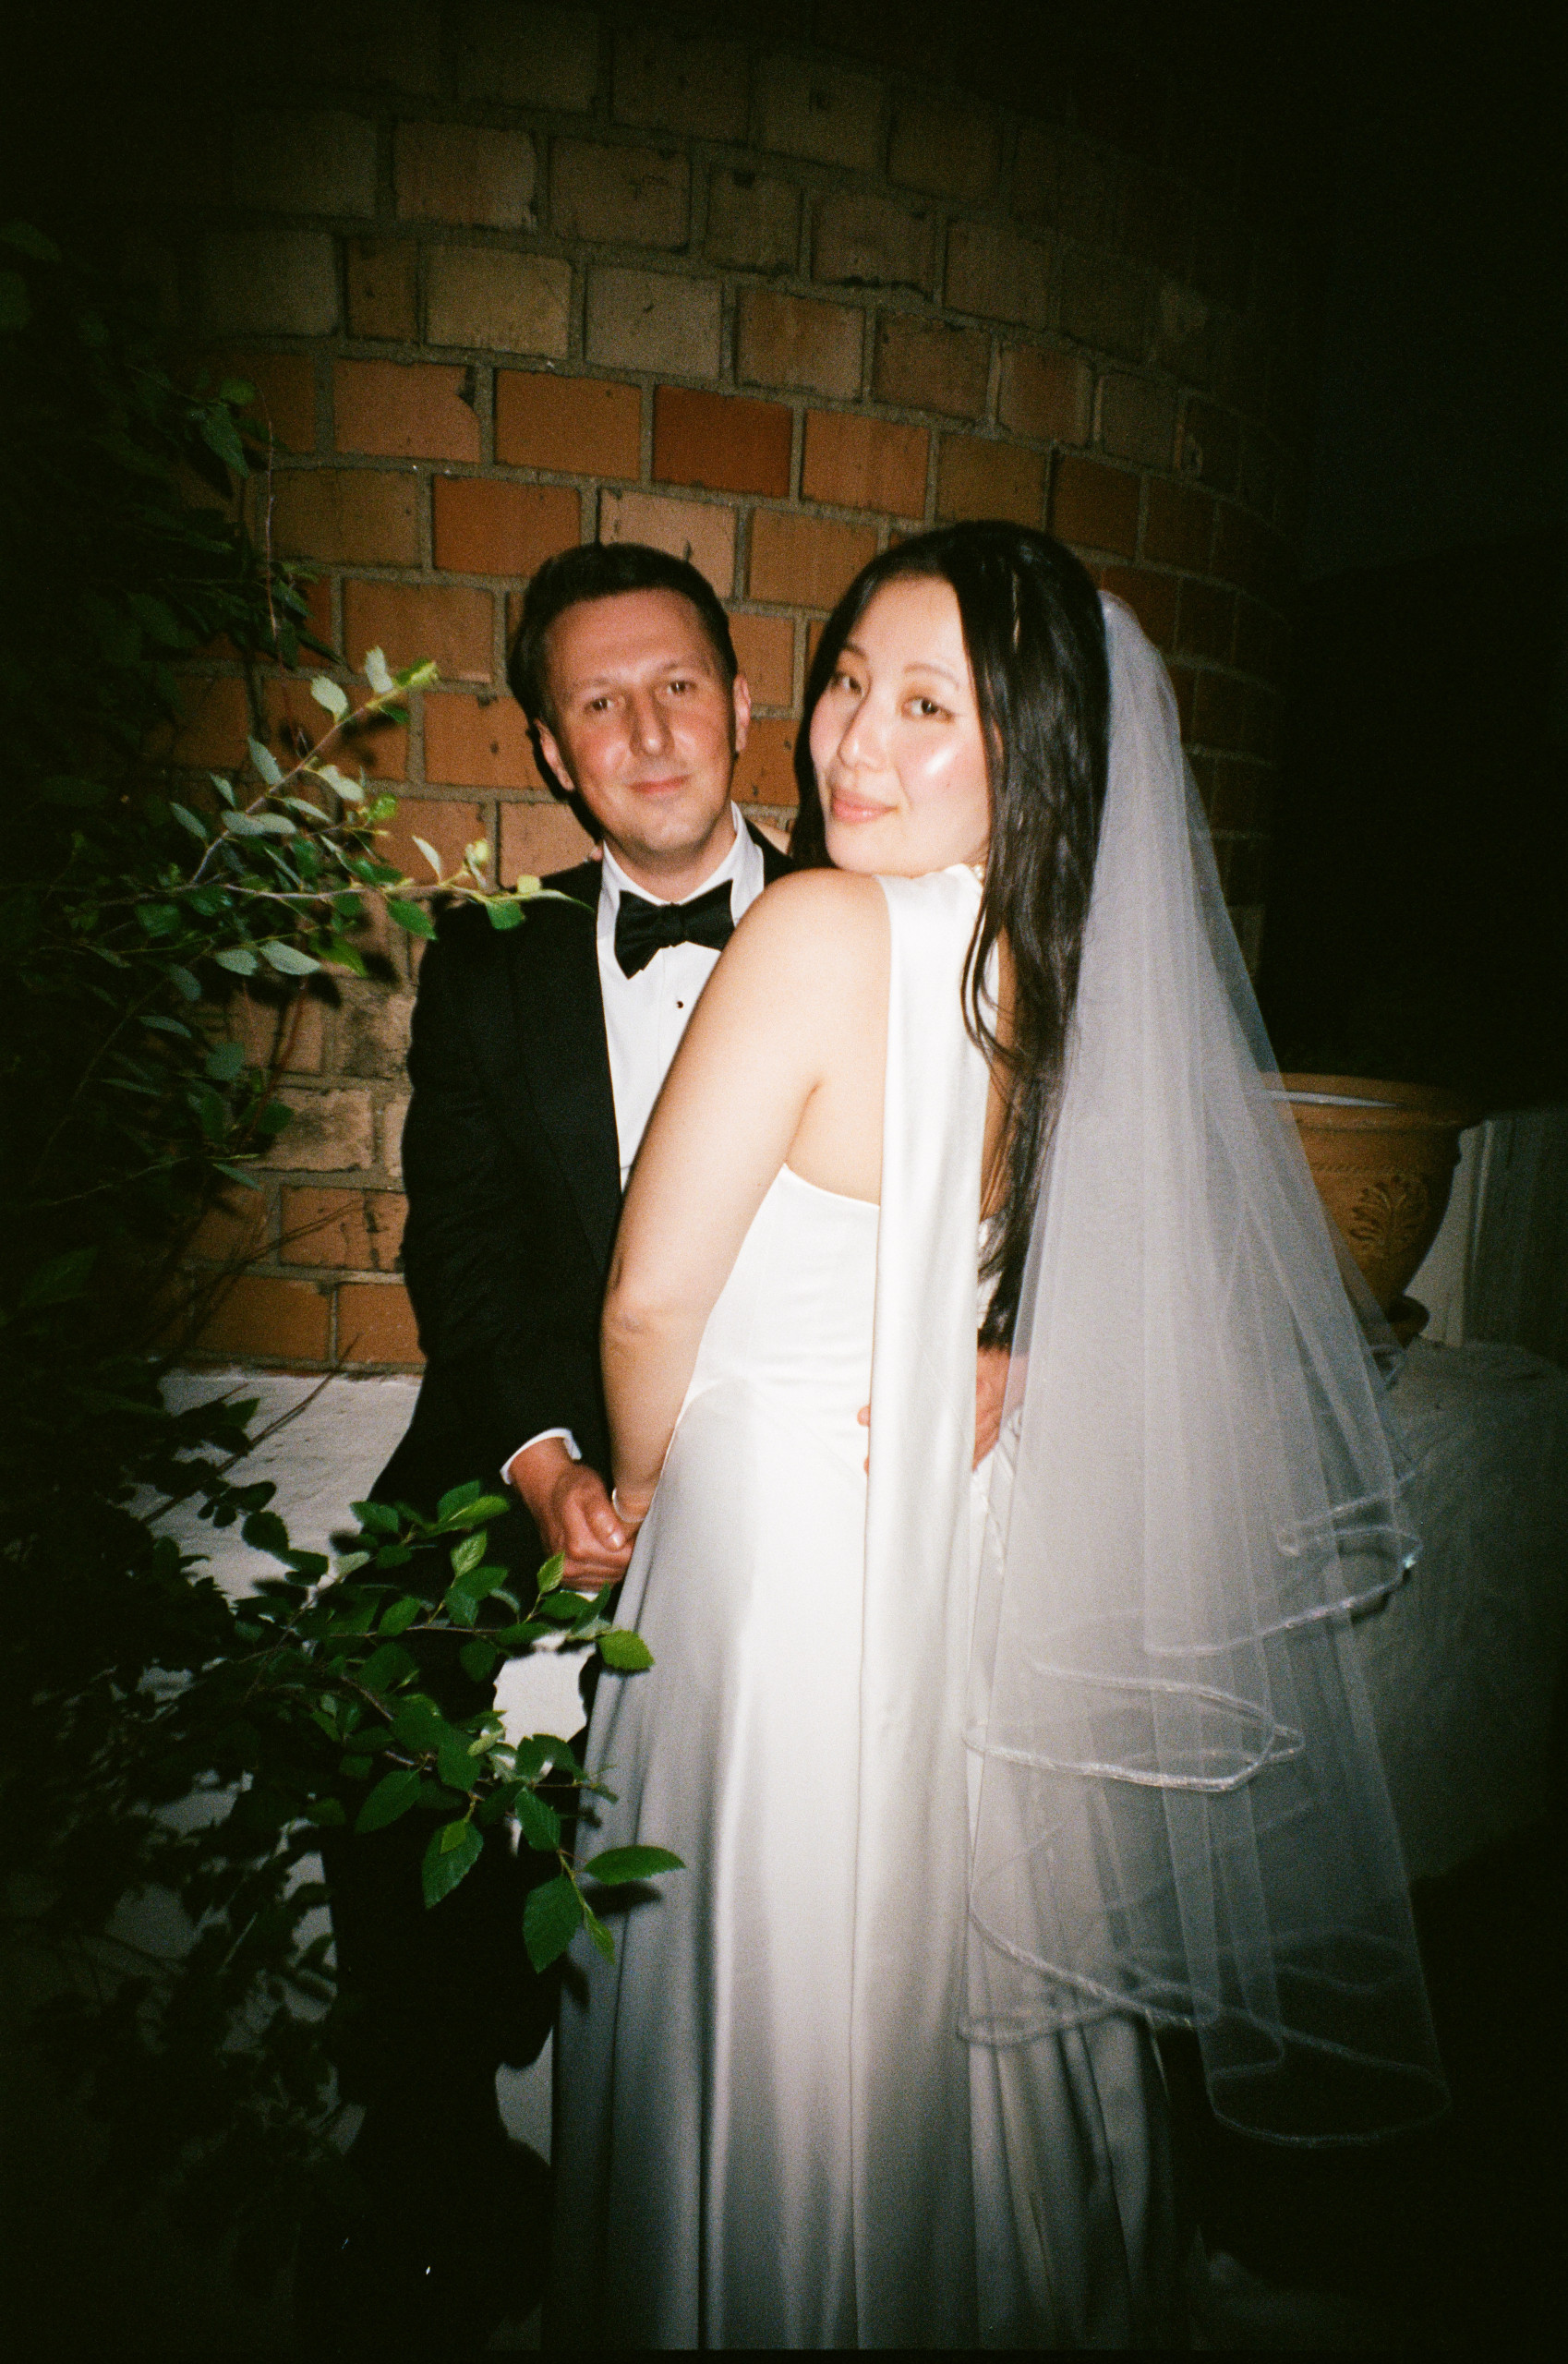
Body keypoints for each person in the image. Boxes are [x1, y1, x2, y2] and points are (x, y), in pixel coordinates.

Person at [549, 523, 1445, 2347]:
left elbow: (645, 1304)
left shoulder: (816, 926)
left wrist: (639, 1483)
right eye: (848, 683)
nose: (852, 741)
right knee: (944, 1969)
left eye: (926, 706)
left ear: (1024, 751)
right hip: (956, 1547)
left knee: (783, 1965)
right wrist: (1015, 1355)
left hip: (780, 1558)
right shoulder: (1056, 962)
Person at [306, 542, 790, 2344]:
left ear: (742, 701)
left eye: (677, 687)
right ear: (548, 750)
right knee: (369, 1680)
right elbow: (467, 1238)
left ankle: (609, 1999)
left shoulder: (858, 927)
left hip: (779, 1432)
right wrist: (542, 1464)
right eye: (600, 702)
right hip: (543, 1434)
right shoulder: (490, 953)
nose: (647, 733)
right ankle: (438, 2153)